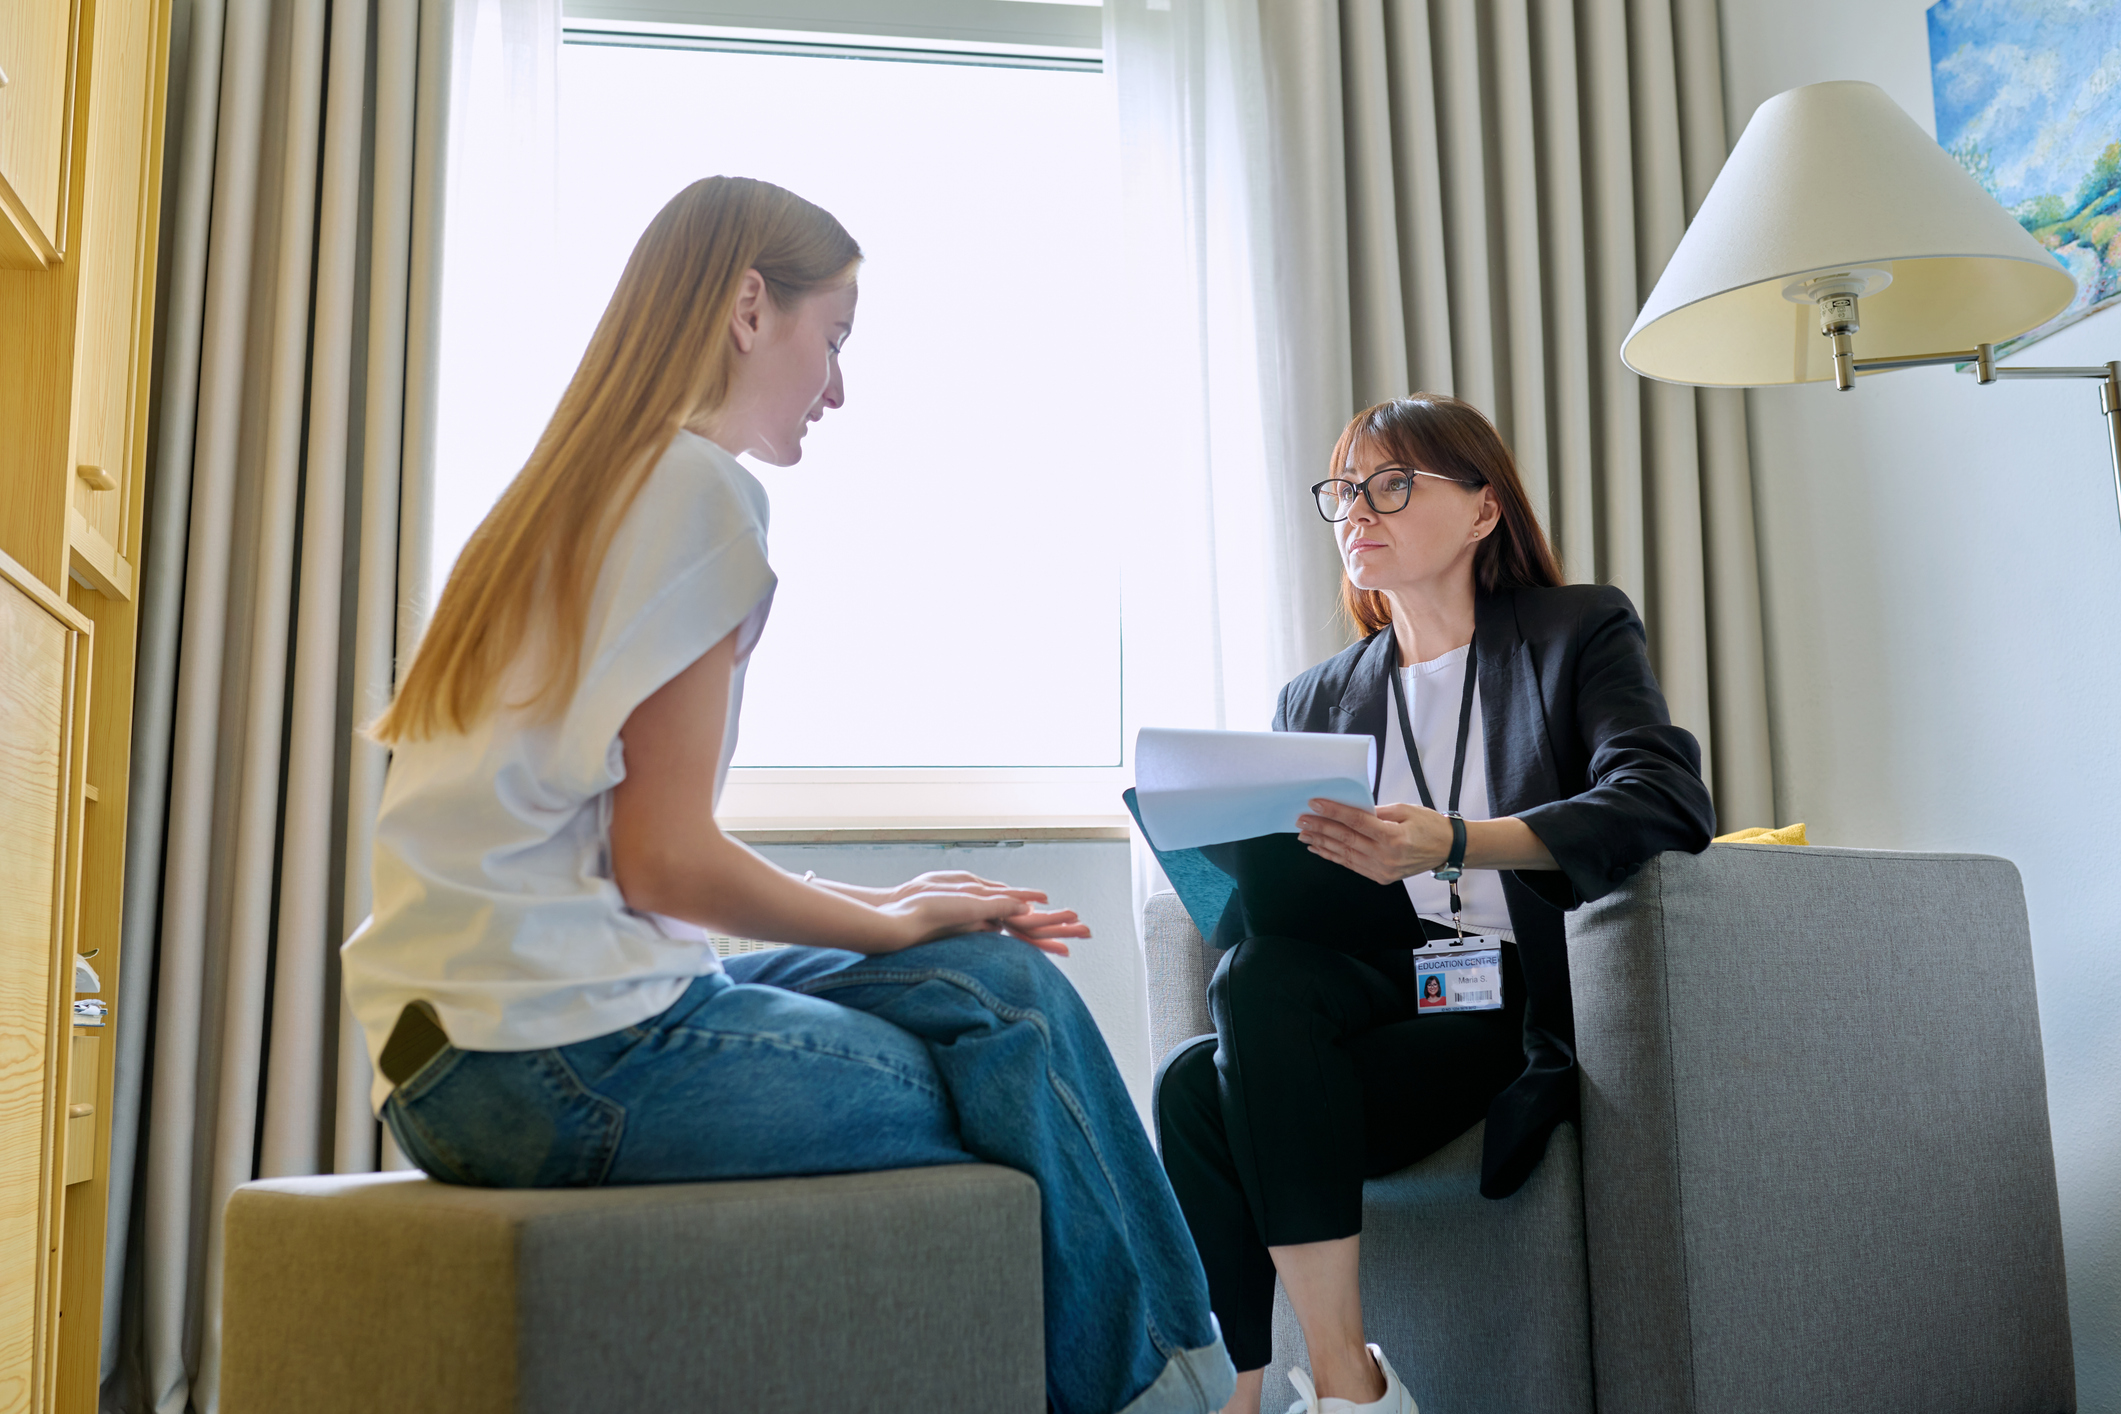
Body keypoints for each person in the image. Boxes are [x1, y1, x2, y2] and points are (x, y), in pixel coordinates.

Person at [342, 177, 1236, 1414]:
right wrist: (885, 921)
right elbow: (664, 860)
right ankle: (1199, 1398)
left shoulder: (562, 495)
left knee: (998, 982)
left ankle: (1200, 1387)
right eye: (836, 338)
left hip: (439, 1055)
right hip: (557, 1064)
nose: (838, 387)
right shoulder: (702, 492)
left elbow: (617, 851)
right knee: (1013, 1055)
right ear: (750, 306)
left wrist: (888, 904)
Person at [1154, 396, 1714, 1414]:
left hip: (1501, 998)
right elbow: (1279, 910)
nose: (1357, 511)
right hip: (1375, 984)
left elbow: (1663, 797)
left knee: (1211, 1075)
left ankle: (1338, 1387)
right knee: (1207, 1047)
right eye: (1344, 492)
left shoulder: (1575, 631)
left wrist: (1458, 841)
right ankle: (1260, 1388)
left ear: (1483, 510)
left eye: (1392, 485)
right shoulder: (1315, 697)